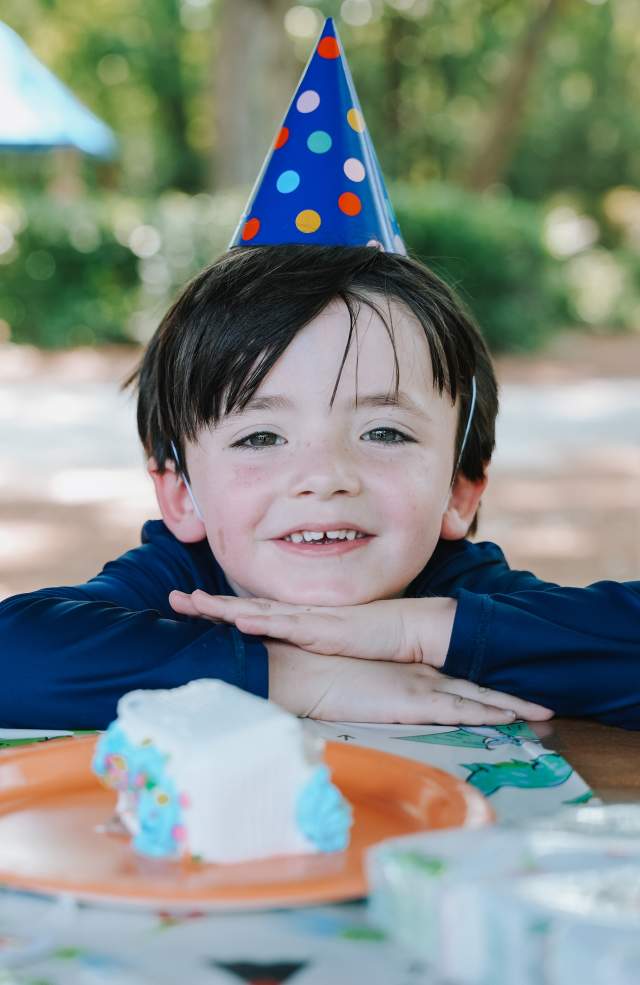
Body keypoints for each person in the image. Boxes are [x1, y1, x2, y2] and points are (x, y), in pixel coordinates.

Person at [1, 245, 638, 731]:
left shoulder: (460, 590)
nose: (325, 476)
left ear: (461, 490)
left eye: (385, 432)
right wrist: (297, 677)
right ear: (181, 495)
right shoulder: (180, 586)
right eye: (260, 438)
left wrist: (416, 635)